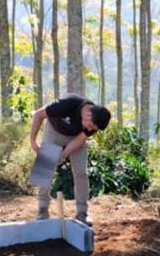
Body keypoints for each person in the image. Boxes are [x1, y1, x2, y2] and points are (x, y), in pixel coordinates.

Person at [29, 94, 111, 225]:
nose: (90, 129)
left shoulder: (95, 122)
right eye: (90, 126)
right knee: (45, 168)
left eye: (93, 129)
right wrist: (33, 141)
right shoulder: (67, 104)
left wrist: (63, 155)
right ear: (88, 114)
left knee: (81, 173)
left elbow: (80, 139)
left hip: (75, 137)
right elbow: (38, 115)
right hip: (54, 132)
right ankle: (42, 209)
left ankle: (82, 213)